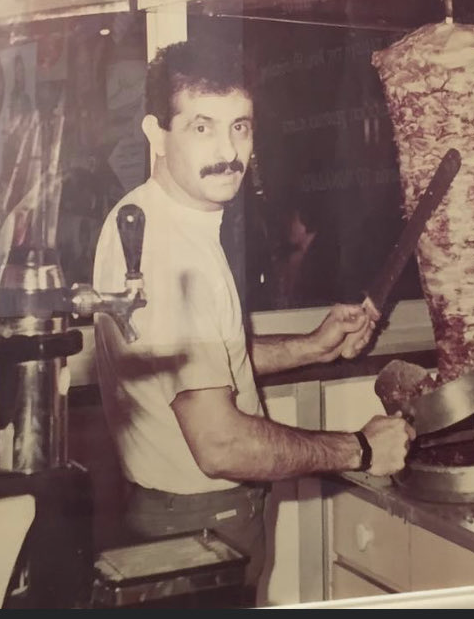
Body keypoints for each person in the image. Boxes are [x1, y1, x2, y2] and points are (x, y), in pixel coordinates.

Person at [92, 39, 414, 606]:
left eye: (239, 127)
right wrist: (359, 449)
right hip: (199, 525)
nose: (227, 152)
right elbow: (221, 445)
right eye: (202, 127)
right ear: (155, 134)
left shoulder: (140, 215)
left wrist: (313, 346)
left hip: (168, 513)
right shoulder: (176, 255)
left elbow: (201, 362)